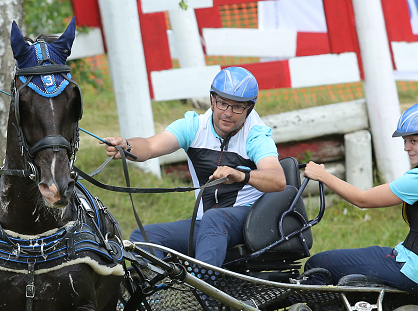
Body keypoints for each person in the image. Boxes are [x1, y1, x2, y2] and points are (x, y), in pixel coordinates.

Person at [102, 67, 286, 268]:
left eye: (237, 107)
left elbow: (278, 180)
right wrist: (127, 146)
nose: (227, 113)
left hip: (248, 221)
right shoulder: (194, 126)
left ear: (249, 109)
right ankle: (156, 297)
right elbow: (150, 146)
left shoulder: (256, 135)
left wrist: (241, 175)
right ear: (212, 100)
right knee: (144, 236)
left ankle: (202, 292)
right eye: (222, 103)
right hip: (206, 223)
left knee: (214, 219)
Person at [301, 101, 418, 294]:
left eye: (414, 141)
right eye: (405, 141)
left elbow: (362, 200)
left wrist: (322, 176)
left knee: (318, 264)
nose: (406, 148)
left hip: (414, 270)